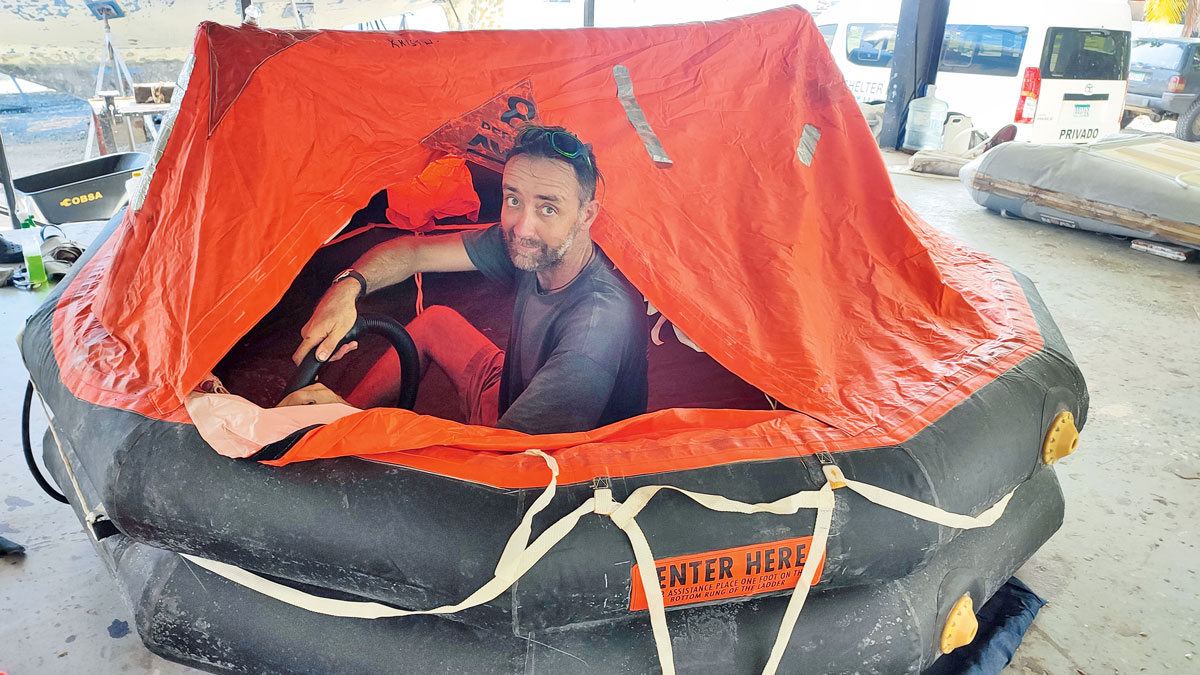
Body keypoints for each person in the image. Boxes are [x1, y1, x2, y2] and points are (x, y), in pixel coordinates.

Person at [283, 125, 649, 435]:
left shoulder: (594, 332)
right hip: (510, 389)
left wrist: (357, 427)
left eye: (548, 208)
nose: (522, 226)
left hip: (539, 458)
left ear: (587, 215)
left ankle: (340, 427)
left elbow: (501, 465)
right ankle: (338, 421)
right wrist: (346, 288)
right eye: (513, 199)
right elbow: (413, 252)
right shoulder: (530, 244)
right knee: (436, 321)